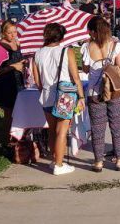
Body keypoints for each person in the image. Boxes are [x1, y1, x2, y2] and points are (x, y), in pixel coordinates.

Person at [31, 23, 86, 176]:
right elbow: (76, 77)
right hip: (65, 95)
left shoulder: (37, 53)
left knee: (52, 131)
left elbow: (37, 81)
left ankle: (55, 159)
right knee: (62, 131)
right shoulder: (66, 51)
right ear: (61, 36)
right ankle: (59, 165)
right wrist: (81, 97)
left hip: (46, 95)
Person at [83, 18, 120, 171]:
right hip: (114, 90)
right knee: (117, 126)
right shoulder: (116, 46)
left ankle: (98, 162)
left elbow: (85, 69)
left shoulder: (87, 47)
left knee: (97, 128)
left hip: (94, 92)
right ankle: (119, 160)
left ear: (93, 31)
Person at [0, 21, 27, 136]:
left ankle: (19, 136)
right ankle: (9, 137)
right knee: (10, 112)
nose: (13, 35)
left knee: (20, 110)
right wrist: (13, 67)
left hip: (18, 80)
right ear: (3, 33)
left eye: (15, 32)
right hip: (6, 82)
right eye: (9, 33)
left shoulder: (17, 43)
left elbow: (20, 59)